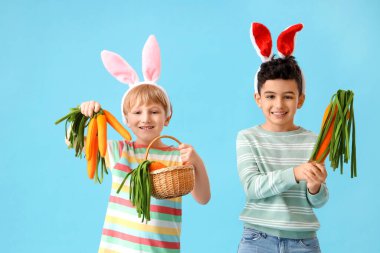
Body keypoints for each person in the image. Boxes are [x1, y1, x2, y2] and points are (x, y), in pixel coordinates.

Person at [80, 35, 210, 253]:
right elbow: (74, 142)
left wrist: (196, 161)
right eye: (137, 112)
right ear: (126, 119)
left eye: (154, 111)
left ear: (167, 117)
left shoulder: (177, 157)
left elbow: (203, 198)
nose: (146, 118)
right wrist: (86, 116)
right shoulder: (120, 151)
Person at [237, 23, 328, 253]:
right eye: (270, 96)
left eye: (288, 96)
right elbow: (252, 187)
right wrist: (295, 173)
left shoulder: (313, 140)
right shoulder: (248, 138)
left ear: (300, 100)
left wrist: (315, 187)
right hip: (257, 240)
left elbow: (317, 201)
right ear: (258, 99)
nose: (278, 105)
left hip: (303, 241)